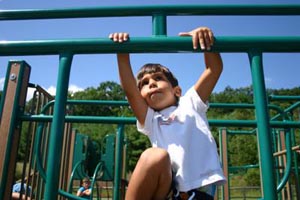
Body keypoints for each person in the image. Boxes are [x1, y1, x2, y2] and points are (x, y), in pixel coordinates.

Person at [109, 26, 226, 200]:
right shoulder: (151, 119)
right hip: (168, 191)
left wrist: (205, 40)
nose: (151, 84)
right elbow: (130, 92)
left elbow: (213, 69)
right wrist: (122, 54)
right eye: (145, 83)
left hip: (200, 191)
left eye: (158, 78)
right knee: (154, 156)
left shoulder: (191, 103)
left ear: (177, 91)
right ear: (143, 98)